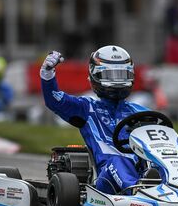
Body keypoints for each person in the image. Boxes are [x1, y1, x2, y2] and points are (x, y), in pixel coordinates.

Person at [40, 45, 149, 194]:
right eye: (111, 75)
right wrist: (47, 74)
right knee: (118, 160)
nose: (117, 81)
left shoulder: (140, 112)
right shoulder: (86, 108)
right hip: (106, 177)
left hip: (142, 171)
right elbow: (55, 101)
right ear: (96, 77)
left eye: (121, 74)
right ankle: (138, 192)